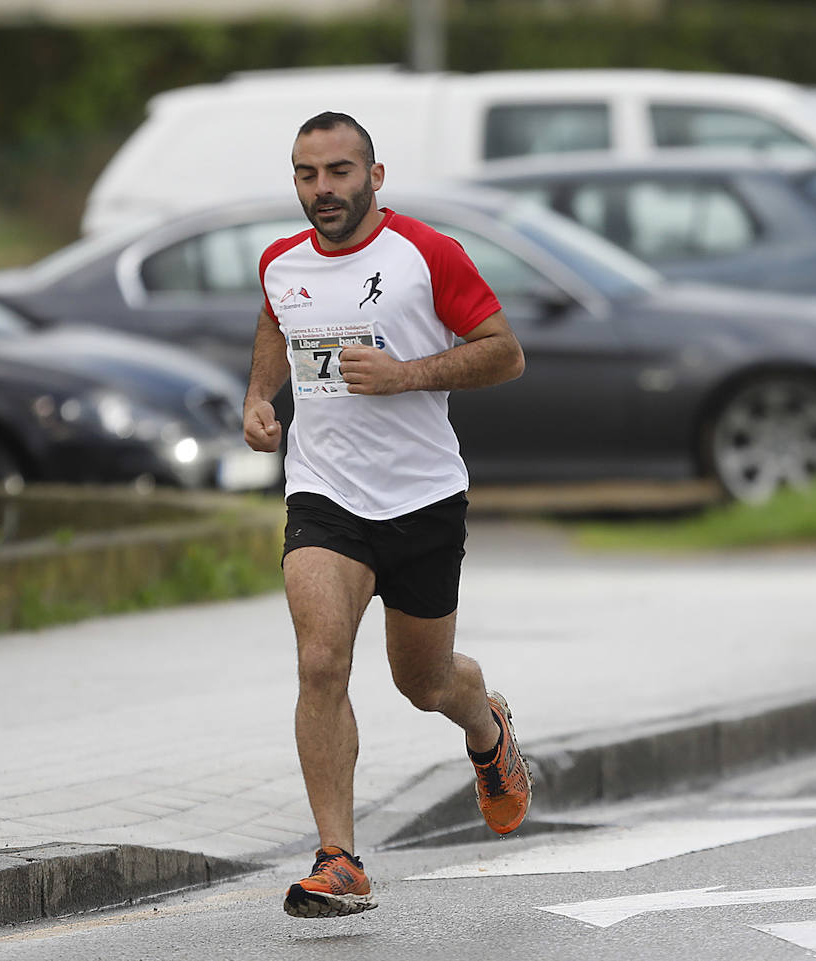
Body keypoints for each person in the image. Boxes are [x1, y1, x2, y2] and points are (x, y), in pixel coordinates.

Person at [244, 111, 530, 920]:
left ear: (375, 176)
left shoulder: (426, 254)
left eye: (339, 172)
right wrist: (261, 397)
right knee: (320, 660)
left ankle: (487, 725)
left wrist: (408, 375)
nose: (323, 189)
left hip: (422, 499)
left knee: (424, 680)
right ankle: (338, 857)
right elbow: (275, 321)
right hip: (324, 498)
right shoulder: (280, 262)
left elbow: (504, 350)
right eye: (307, 174)